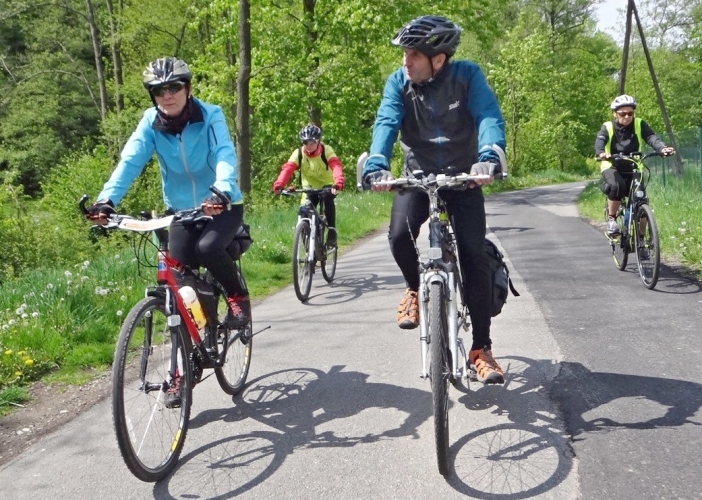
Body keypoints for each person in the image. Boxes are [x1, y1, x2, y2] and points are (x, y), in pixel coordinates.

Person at [362, 16, 507, 384]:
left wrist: (489, 156)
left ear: (438, 59)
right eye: (404, 54)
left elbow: (488, 115)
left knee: (474, 256)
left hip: (464, 178)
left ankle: (481, 348)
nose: (405, 61)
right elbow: (386, 122)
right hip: (418, 176)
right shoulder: (399, 83)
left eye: (413, 54)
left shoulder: (467, 77)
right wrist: (377, 163)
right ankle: (414, 286)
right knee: (398, 237)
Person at [86, 57, 251, 327]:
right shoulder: (150, 122)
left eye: (173, 87)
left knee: (208, 248)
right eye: (159, 90)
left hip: (222, 205)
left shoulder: (211, 115)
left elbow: (224, 154)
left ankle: (237, 297)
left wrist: (221, 190)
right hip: (181, 210)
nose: (167, 95)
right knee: (180, 273)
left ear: (187, 88)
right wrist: (107, 200)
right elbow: (131, 161)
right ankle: (195, 344)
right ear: (152, 95)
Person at [595, 94, 675, 235]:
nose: (627, 117)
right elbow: (600, 141)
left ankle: (642, 241)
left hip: (634, 166)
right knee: (616, 186)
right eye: (622, 114)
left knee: (641, 201)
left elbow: (651, 137)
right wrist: (601, 153)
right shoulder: (607, 127)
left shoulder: (639, 123)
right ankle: (612, 220)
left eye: (630, 113)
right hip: (612, 165)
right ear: (615, 114)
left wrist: (662, 148)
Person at [272, 124, 345, 246]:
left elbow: (335, 165)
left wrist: (338, 183)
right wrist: (279, 184)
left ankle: (332, 231)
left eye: (312, 142)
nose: (309, 146)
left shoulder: (326, 150)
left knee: (327, 200)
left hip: (327, 185)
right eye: (305, 143)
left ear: (318, 141)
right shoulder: (299, 153)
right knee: (304, 211)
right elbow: (288, 169)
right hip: (309, 187)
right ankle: (310, 243)